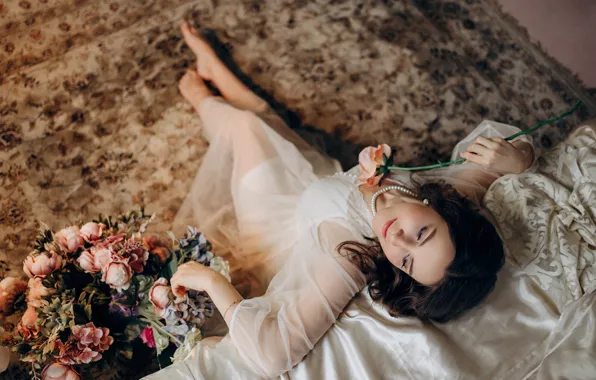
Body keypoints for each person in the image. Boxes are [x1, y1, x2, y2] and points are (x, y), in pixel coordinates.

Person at [162, 22, 536, 378]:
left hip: (278, 222)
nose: (396, 239)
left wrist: (213, 283)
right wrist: (518, 158)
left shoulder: (353, 256)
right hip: (319, 183)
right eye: (421, 233)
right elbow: (510, 157)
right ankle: (218, 73)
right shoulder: (454, 195)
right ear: (442, 208)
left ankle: (201, 97)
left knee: (245, 131)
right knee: (276, 134)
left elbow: (272, 355)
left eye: (406, 260)